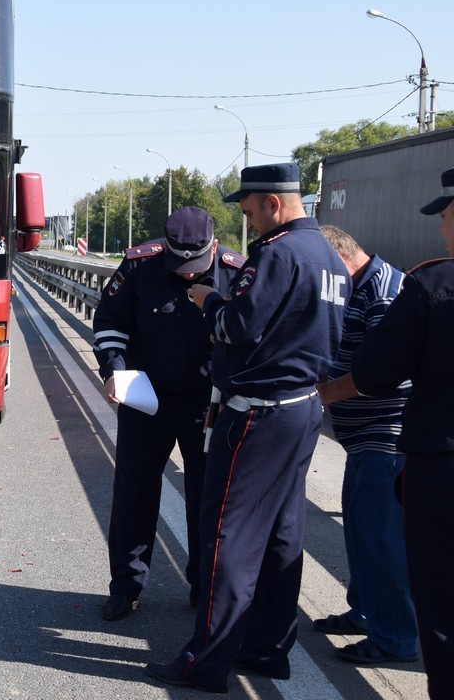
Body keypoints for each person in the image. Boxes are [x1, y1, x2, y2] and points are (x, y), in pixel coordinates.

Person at [144, 163, 348, 693]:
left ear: (273, 204)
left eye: (251, 211)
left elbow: (236, 327)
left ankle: (205, 661)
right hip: (303, 406)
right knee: (283, 535)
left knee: (226, 538)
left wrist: (207, 298)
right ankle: (268, 649)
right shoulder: (330, 256)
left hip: (259, 411)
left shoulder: (278, 254)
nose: (250, 222)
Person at [92, 207, 245, 622]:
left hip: (209, 406)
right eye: (179, 266)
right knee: (134, 496)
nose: (187, 275)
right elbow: (109, 322)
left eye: (196, 268)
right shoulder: (140, 265)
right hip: (147, 401)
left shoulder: (238, 272)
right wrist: (115, 371)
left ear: (215, 246)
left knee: (208, 499)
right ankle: (126, 586)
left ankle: (204, 587)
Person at [347, 166, 454, 700]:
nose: (440, 230)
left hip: (438, 468)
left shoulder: (433, 284)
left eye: (447, 217)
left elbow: (373, 373)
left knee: (438, 600)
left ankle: (420, 661)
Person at [314, 226, 417, 665]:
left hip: (387, 436)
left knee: (382, 540)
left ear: (338, 261)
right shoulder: (357, 288)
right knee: (359, 532)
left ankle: (395, 638)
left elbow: (382, 374)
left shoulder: (386, 293)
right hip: (362, 439)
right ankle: (365, 612)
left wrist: (316, 396)